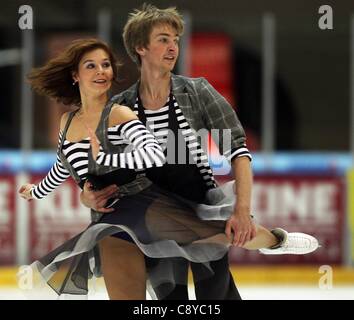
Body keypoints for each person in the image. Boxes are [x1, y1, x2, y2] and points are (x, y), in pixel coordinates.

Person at [80, 4, 319, 300]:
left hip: (200, 204)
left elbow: (239, 152)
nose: (173, 47)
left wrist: (242, 211)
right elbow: (101, 172)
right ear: (141, 47)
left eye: (176, 40)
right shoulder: (120, 107)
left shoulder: (197, 91)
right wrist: (87, 195)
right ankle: (272, 240)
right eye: (164, 39)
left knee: (215, 296)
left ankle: (274, 239)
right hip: (153, 214)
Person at [18, 38, 240, 300]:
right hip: (110, 221)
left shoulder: (119, 114)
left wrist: (107, 159)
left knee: (223, 233)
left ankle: (276, 241)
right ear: (75, 75)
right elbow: (62, 166)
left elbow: (153, 155)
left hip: (145, 206)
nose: (101, 71)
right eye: (91, 66)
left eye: (105, 65)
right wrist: (36, 192)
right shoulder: (66, 121)